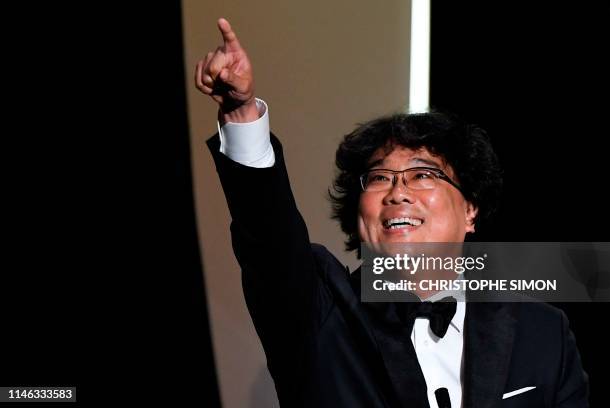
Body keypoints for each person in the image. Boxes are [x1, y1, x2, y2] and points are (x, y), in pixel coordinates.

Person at [196, 18, 589, 408]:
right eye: (380, 178)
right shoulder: (320, 311)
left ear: (470, 209)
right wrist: (242, 112)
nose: (398, 193)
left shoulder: (541, 331)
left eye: (422, 174)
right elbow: (268, 236)